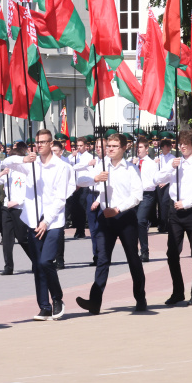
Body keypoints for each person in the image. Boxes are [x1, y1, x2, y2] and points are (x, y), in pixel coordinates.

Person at [2, 128, 75, 320]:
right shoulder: (31, 164)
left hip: (52, 222)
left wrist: (46, 221)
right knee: (37, 265)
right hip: (32, 220)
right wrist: (23, 160)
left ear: (51, 144)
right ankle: (44, 306)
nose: (39, 145)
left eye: (43, 142)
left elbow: (61, 199)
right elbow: (5, 162)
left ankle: (57, 298)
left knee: (46, 261)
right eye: (37, 142)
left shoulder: (61, 167)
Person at [75, 134, 147, 314]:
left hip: (124, 217)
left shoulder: (130, 169)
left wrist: (118, 209)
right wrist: (96, 179)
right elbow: (79, 180)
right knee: (102, 259)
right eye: (109, 146)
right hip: (105, 218)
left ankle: (140, 297)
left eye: (115, 146)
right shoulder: (100, 165)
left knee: (133, 258)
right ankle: (95, 301)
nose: (111, 149)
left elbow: (137, 195)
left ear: (123, 148)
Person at [152, 130, 192, 306]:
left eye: (187, 143)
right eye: (180, 143)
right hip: (175, 213)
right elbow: (156, 179)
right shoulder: (175, 163)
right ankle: (178, 291)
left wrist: (186, 203)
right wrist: (170, 167)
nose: (183, 146)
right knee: (172, 253)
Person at [0, 143, 30, 276]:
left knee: (22, 238)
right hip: (7, 208)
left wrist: (17, 201)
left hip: (20, 208)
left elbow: (29, 193)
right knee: (7, 239)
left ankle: (36, 260)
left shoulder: (26, 172)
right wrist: (0, 174)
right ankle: (8, 266)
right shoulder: (8, 172)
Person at [134, 138, 158, 262]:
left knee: (140, 221)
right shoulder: (132, 162)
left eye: (141, 147)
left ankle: (145, 252)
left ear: (147, 149)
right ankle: (133, 251)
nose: (138, 150)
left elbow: (153, 183)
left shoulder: (151, 163)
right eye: (137, 147)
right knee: (132, 223)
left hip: (146, 194)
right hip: (133, 195)